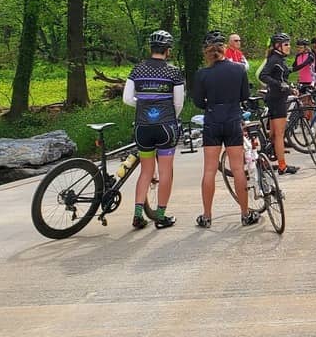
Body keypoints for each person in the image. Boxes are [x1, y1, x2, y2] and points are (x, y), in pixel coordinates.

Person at [192, 30, 256, 227]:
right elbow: (245, 95)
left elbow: (197, 102)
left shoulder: (202, 74)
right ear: (225, 48)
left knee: (209, 169)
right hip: (232, 120)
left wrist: (212, 105)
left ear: (206, 52)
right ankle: (245, 214)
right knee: (237, 168)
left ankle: (207, 216)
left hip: (212, 121)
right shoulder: (239, 70)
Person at [122, 29, 185, 229]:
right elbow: (179, 103)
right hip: (166, 126)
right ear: (167, 50)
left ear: (151, 48)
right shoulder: (173, 71)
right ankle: (160, 215)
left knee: (146, 171)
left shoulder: (137, 70)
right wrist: (169, 116)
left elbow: (126, 99)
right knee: (166, 171)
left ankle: (138, 214)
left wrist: (142, 105)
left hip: (142, 127)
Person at [259, 32, 299, 175]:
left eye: (289, 44)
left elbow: (281, 78)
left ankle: (265, 156)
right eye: (286, 44)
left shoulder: (279, 59)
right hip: (277, 100)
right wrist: (279, 85)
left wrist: (289, 88)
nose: (289, 47)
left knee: (275, 134)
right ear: (278, 46)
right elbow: (263, 75)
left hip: (277, 97)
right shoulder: (275, 59)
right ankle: (282, 166)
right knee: (279, 135)